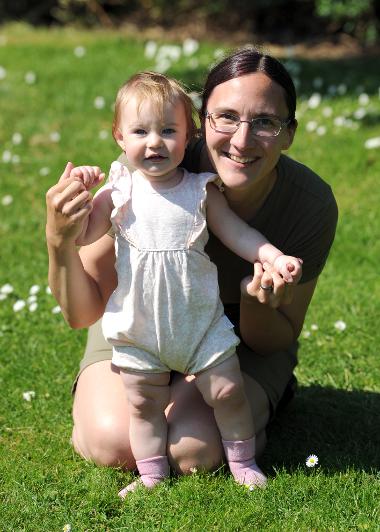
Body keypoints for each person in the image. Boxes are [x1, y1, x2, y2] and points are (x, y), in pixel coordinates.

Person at [45, 46, 338, 487]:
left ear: (288, 133)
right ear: (201, 124)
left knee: (192, 451)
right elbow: (83, 312)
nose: (241, 140)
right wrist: (59, 239)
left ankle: (242, 418)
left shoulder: (308, 204)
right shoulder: (148, 171)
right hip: (140, 319)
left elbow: (279, 335)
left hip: (232, 340)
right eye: (226, 117)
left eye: (265, 122)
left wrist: (256, 302)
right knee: (112, 442)